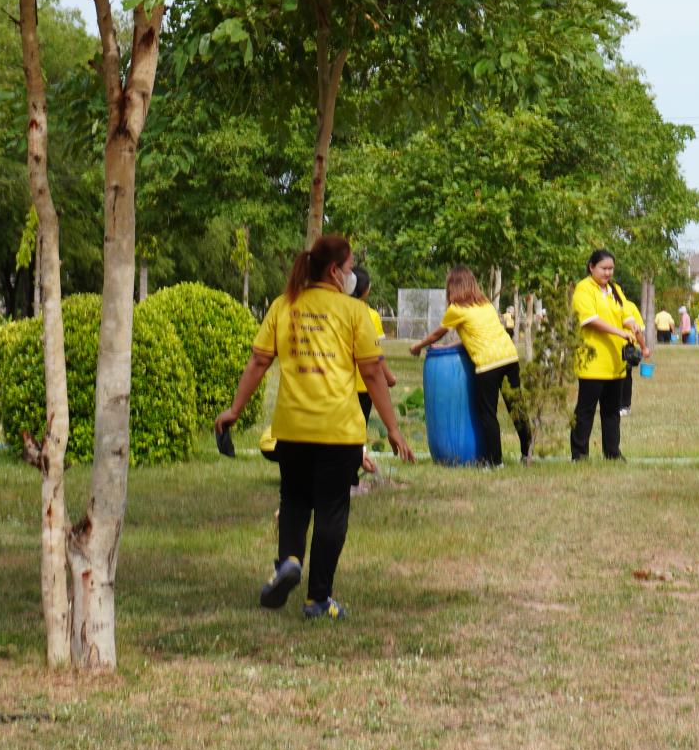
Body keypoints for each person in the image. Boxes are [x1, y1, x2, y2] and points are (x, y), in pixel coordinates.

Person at [214, 235, 415, 620]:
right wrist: (392, 428)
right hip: (339, 432)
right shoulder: (352, 312)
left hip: (292, 429)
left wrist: (235, 410)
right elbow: (372, 373)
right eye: (350, 265)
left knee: (294, 499)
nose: (353, 273)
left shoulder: (283, 305)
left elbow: (259, 362)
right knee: (332, 512)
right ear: (334, 270)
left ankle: (288, 560)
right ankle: (318, 599)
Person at [410, 266, 533, 467]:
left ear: (452, 288)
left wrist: (417, 346)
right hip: (510, 358)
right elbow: (476, 337)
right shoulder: (485, 305)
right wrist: (449, 346)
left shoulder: (456, 309)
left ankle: (495, 462)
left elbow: (436, 334)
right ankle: (527, 453)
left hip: (488, 365)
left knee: (487, 413)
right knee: (516, 408)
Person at [571, 249, 642, 460]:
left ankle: (612, 453)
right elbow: (590, 319)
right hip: (592, 361)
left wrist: (631, 325)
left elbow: (626, 313)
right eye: (603, 268)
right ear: (591, 267)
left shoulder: (615, 289)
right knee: (585, 411)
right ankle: (579, 454)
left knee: (611, 411)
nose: (608, 273)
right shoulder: (584, 289)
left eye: (611, 269)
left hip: (615, 362)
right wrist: (620, 331)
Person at [351, 267, 397, 426]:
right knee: (360, 427)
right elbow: (376, 354)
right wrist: (388, 377)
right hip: (364, 384)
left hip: (340, 384)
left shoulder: (334, 311)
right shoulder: (371, 315)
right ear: (367, 290)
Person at [619, 298, 650, 417]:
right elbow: (639, 329)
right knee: (626, 377)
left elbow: (638, 329)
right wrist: (644, 348)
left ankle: (623, 405)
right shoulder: (629, 305)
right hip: (626, 346)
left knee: (621, 377)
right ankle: (624, 406)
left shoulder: (604, 302)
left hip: (619, 346)